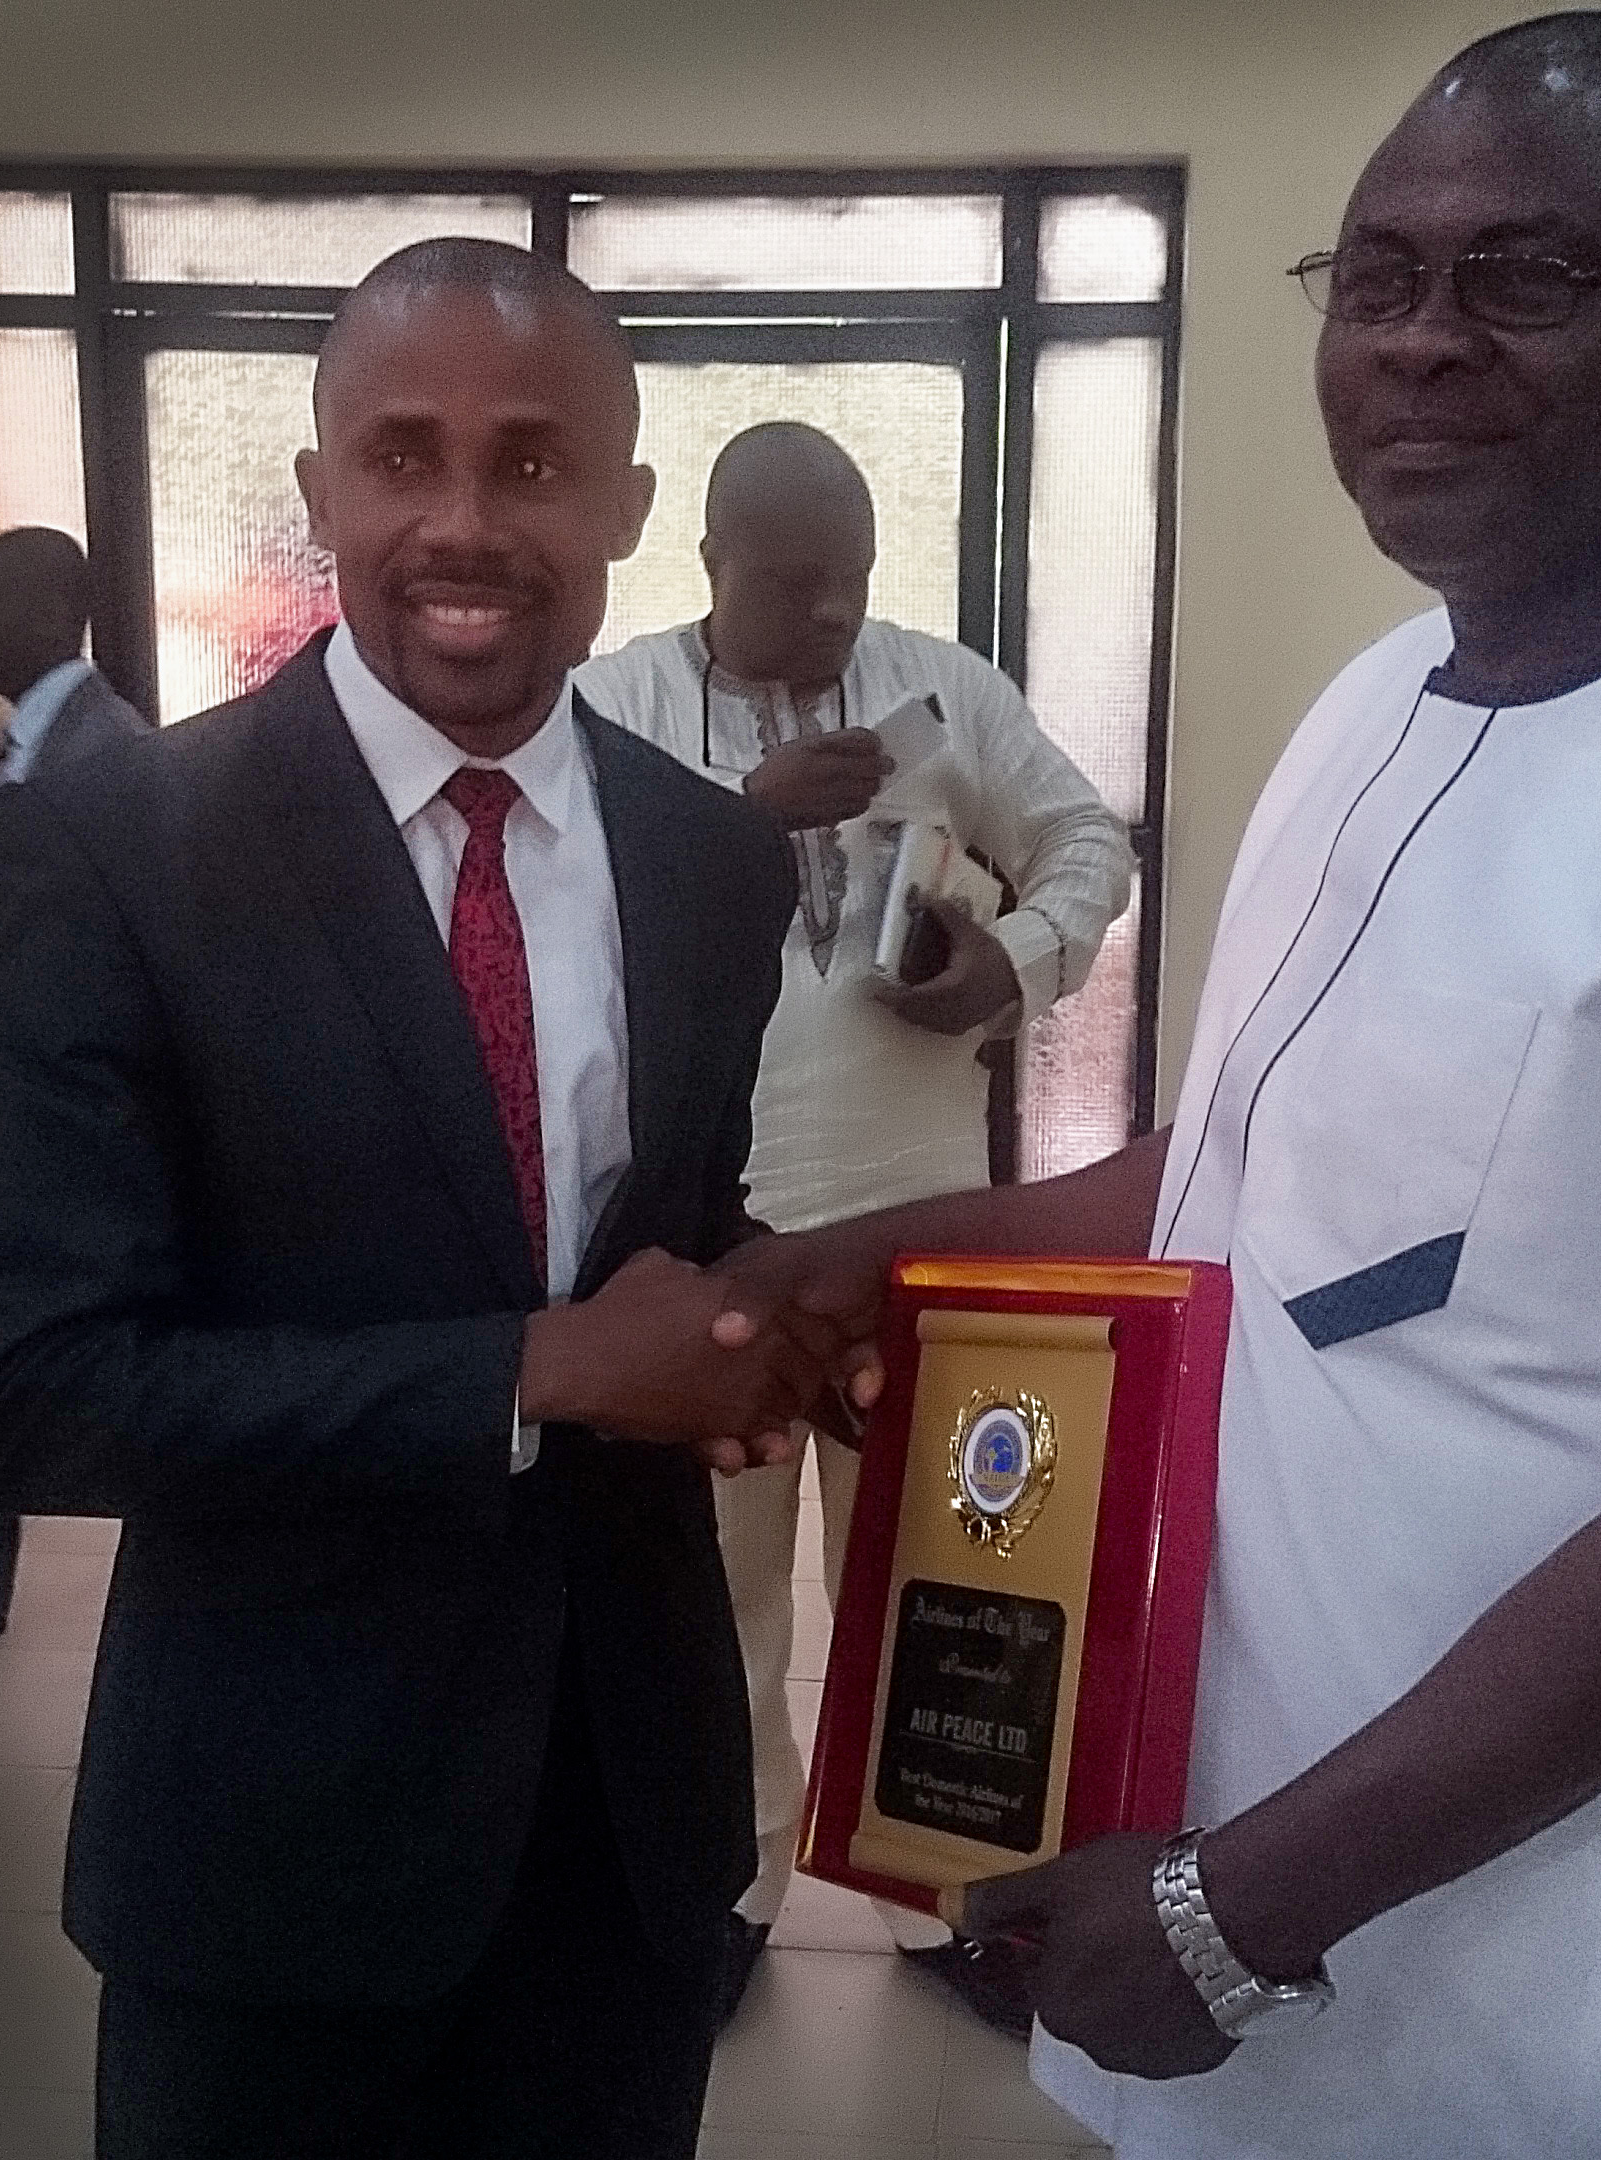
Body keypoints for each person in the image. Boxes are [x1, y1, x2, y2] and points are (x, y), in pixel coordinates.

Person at [713, 14, 1601, 2157]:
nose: (1423, 346)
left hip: (1567, 1970)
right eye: (1377, 280)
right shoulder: (1380, 701)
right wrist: (852, 1264)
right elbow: (1238, 1173)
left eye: (1526, 279)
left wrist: (1246, 1911)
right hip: (1243, 1814)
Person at [0, 238, 851, 2160]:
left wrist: (777, 1328)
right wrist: (534, 1371)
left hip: (626, 1828)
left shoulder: (705, 865)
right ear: (320, 488)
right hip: (269, 1850)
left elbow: (670, 1231)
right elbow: (37, 1386)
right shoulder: (120, 848)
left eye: (529, 465)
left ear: (622, 504)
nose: (461, 522)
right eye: (401, 455)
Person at [574, 420, 1132, 2028]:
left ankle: (941, 1903)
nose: (832, 616)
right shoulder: (613, 705)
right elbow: (569, 898)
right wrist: (744, 811)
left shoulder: (942, 688)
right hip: (704, 1228)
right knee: (721, 1586)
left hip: (918, 1229)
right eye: (797, 583)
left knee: (942, 1575)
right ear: (711, 567)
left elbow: (1089, 840)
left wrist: (1011, 959)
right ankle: (731, 1886)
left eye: (855, 581)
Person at [0, 526, 150, 1644]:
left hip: (56, 1107)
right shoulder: (29, 747)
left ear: (60, 612)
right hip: (7, 1089)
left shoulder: (102, 755)